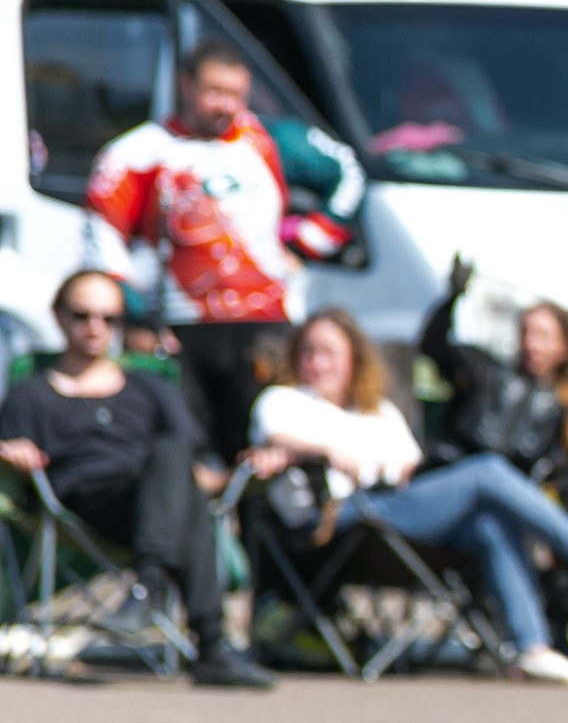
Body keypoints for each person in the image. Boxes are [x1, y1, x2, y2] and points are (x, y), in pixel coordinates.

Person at [245, 310, 568, 686]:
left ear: (353, 360)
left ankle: (531, 645)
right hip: (341, 520)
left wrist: (385, 465)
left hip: (396, 513)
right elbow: (275, 438)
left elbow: (408, 464)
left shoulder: (377, 411)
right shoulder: (283, 400)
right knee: (486, 472)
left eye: (328, 353)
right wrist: (326, 450)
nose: (317, 363)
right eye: (309, 352)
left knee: (489, 523)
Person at [87, 38, 366, 465]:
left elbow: (347, 173)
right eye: (213, 92)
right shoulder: (139, 151)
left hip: (265, 321)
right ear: (185, 85)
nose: (225, 106)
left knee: (263, 444)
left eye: (235, 95)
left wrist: (305, 244)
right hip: (180, 325)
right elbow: (101, 232)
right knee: (187, 449)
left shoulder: (267, 139)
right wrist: (133, 309)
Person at [0, 270, 272, 686]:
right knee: (179, 485)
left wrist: (249, 470)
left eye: (109, 318)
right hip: (83, 503)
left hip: (156, 501)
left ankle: (150, 584)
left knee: (176, 469)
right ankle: (210, 644)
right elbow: (9, 453)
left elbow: (195, 465)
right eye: (82, 315)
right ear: (58, 316)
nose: (96, 328)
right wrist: (11, 451)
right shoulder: (31, 392)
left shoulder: (150, 387)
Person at [419, 258, 568, 653]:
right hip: (449, 489)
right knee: (489, 471)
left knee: (498, 521)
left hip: (511, 513)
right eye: (526, 334)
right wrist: (451, 299)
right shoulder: (485, 372)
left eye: (542, 336)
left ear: (565, 346)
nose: (531, 344)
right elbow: (433, 347)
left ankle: (535, 646)